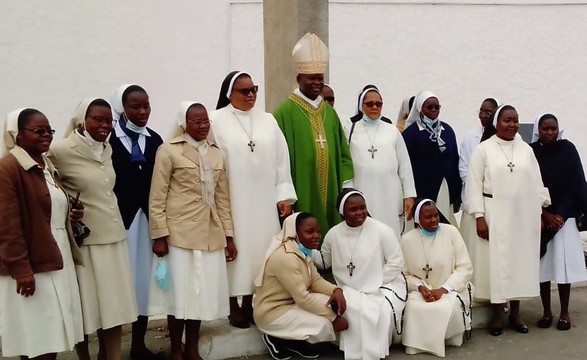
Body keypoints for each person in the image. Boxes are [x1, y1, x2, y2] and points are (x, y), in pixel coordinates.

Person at [47, 98, 138, 360]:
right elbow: (48, 185)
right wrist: (67, 211)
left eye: (109, 120)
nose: (105, 125)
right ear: (82, 120)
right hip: (87, 242)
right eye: (98, 119)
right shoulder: (61, 150)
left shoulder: (107, 148)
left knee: (115, 307)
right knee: (88, 309)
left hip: (115, 238)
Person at [210, 71, 297, 328]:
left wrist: (284, 195)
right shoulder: (215, 120)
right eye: (244, 91)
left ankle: (250, 302)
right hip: (232, 198)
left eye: (254, 89)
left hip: (264, 199)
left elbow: (282, 158)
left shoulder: (268, 120)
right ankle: (231, 305)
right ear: (229, 94)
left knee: (261, 251)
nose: (251, 95)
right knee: (236, 250)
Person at [149, 101, 235, 360]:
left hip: (209, 234)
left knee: (201, 294)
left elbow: (222, 199)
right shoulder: (169, 151)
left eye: (205, 121)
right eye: (196, 121)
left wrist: (229, 236)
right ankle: (176, 349)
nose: (202, 126)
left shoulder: (217, 154)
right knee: (179, 295)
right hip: (179, 234)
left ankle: (193, 348)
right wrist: (159, 235)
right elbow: (157, 196)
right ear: (184, 124)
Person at [0, 108, 84, 359]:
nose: (46, 135)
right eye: (39, 131)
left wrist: (71, 213)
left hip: (56, 256)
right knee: (39, 338)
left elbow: (46, 209)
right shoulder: (9, 168)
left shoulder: (44, 165)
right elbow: (7, 225)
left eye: (49, 130)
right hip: (32, 264)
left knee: (52, 335)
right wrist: (21, 269)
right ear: (17, 135)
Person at [465, 104, 550, 336]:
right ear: (496, 123)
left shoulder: (526, 150)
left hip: (522, 214)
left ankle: (515, 313)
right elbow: (473, 185)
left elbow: (536, 181)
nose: (512, 125)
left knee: (517, 262)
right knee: (496, 263)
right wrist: (479, 217)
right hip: (493, 211)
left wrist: (540, 211)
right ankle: (496, 315)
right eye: (507, 120)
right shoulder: (484, 149)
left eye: (515, 120)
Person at [273, 32, 354, 239]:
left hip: (332, 187)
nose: (317, 83)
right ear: (299, 78)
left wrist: (346, 186)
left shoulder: (330, 112)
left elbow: (344, 153)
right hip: (302, 188)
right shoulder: (284, 113)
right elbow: (277, 159)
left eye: (320, 78)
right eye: (312, 78)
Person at [315, 189, 406, 360]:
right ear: (342, 212)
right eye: (353, 209)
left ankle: (374, 351)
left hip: (384, 285)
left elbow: (396, 262)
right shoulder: (334, 234)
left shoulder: (381, 230)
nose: (360, 213)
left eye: (363, 207)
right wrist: (305, 250)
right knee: (351, 306)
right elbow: (323, 261)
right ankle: (355, 351)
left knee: (381, 309)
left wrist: (373, 282)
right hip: (348, 287)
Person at [109, 84, 165, 358]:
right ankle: (111, 351)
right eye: (135, 106)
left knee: (142, 282)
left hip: (145, 222)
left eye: (146, 105)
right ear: (122, 108)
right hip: (117, 223)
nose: (143, 112)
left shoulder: (154, 140)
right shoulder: (107, 138)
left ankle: (138, 345)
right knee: (117, 283)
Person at [254, 212, 348, 360]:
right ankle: (275, 339)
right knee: (323, 325)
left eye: (318, 231)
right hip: (272, 313)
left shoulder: (302, 251)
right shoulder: (286, 258)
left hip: (291, 304)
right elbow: (303, 298)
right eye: (310, 232)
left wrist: (336, 290)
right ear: (294, 234)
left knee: (335, 303)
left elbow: (315, 281)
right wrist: (333, 318)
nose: (316, 235)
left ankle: (293, 341)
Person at [530, 113, 587, 331]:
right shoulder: (531, 152)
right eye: (545, 129)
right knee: (543, 267)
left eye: (553, 128)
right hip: (541, 218)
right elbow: (529, 185)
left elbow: (577, 184)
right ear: (539, 130)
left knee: (563, 268)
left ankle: (564, 312)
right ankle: (546, 311)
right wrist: (544, 214)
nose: (550, 132)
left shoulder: (568, 149)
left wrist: (561, 214)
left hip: (565, 217)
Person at [401, 199, 473, 357]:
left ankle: (446, 339)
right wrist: (420, 287)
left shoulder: (451, 232)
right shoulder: (407, 240)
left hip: (452, 288)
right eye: (428, 217)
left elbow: (465, 267)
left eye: (436, 215)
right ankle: (418, 345)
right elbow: (404, 274)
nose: (434, 220)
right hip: (422, 290)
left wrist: (443, 289)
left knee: (446, 307)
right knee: (414, 307)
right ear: (418, 219)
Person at [346, 85, 416, 237]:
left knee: (390, 234)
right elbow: (345, 164)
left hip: (389, 194)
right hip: (362, 192)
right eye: (370, 104)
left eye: (379, 103)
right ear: (361, 106)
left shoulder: (392, 130)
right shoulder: (351, 130)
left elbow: (404, 165)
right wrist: (348, 192)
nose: (375, 107)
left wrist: (409, 195)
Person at [403, 91, 461, 226]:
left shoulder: (447, 130)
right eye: (429, 107)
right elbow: (406, 166)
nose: (434, 110)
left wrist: (457, 193)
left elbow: (454, 161)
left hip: (445, 186)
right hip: (422, 188)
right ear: (420, 109)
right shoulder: (410, 134)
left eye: (437, 107)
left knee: (444, 222)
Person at [458, 98, 500, 249]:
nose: (482, 115)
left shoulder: (515, 139)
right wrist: (478, 186)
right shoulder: (470, 137)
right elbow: (463, 168)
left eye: (487, 112)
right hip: (474, 197)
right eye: (480, 111)